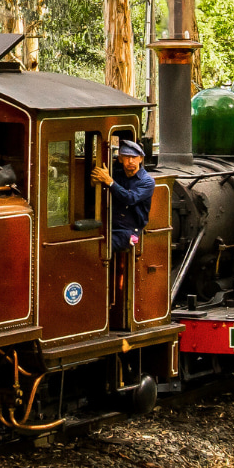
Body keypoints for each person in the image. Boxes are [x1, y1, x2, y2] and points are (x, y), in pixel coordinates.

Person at [91, 138, 154, 328]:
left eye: (134, 157)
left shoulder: (146, 182)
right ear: (119, 159)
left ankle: (101, 299)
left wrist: (109, 182)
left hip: (130, 232)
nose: (130, 162)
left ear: (141, 159)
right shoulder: (116, 173)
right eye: (126, 157)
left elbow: (130, 198)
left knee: (102, 247)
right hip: (109, 226)